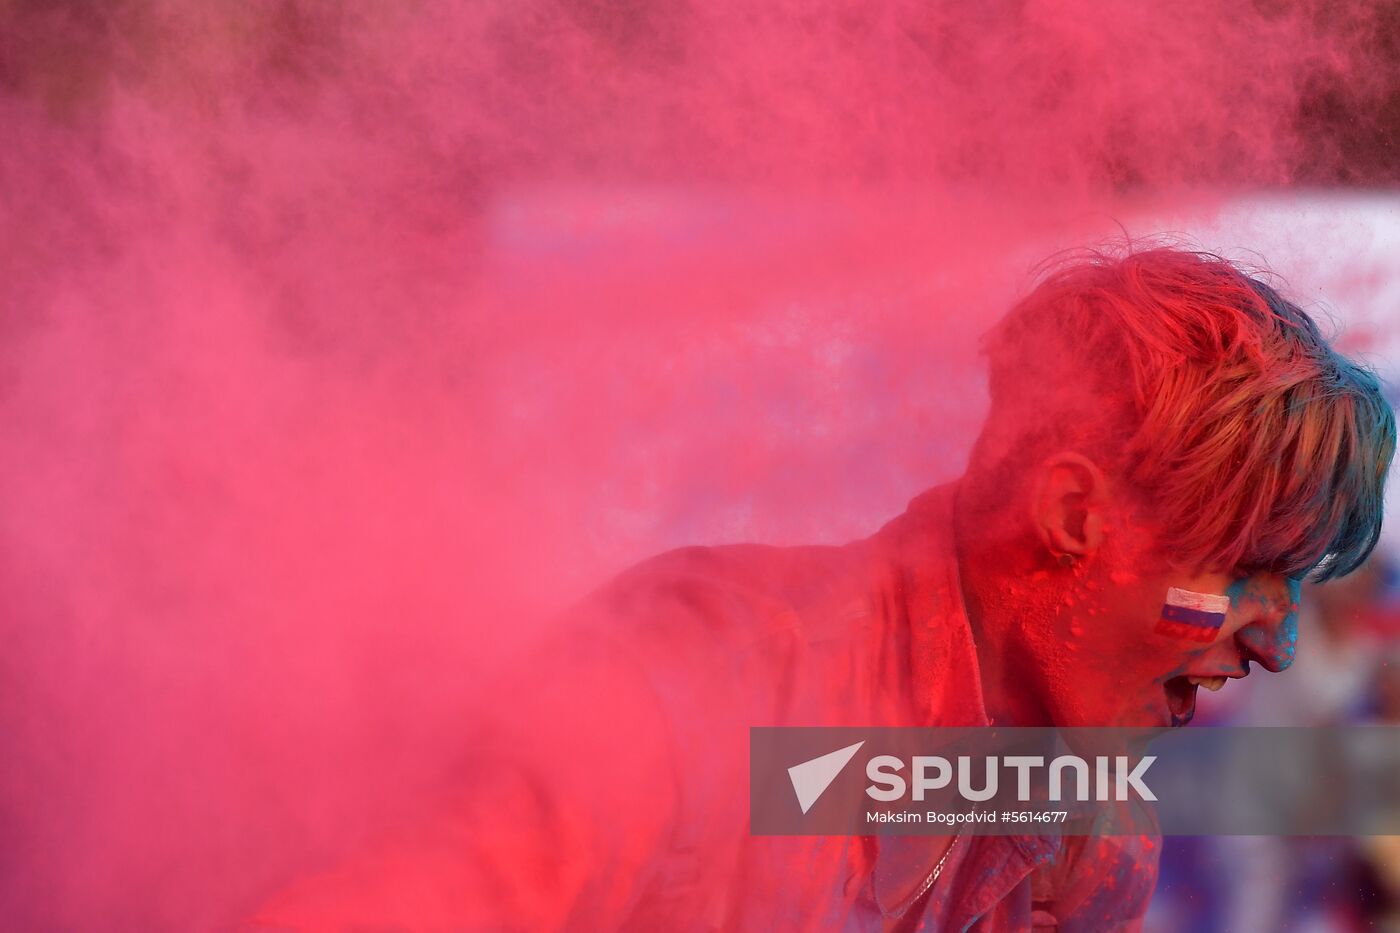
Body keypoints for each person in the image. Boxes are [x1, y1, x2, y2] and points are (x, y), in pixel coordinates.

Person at [247, 247, 1394, 931]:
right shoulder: (705, 673)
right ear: (1074, 517)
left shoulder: (1088, 824)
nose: (1275, 643)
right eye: (1245, 573)